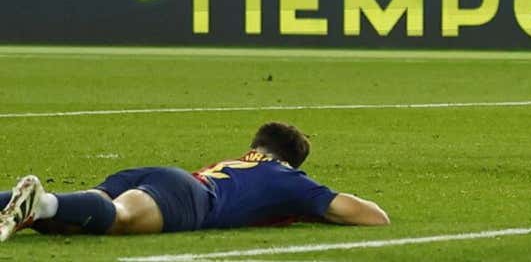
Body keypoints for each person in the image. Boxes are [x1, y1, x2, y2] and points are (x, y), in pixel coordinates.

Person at [0, 122, 387, 241]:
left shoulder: (239, 162)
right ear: (289, 160)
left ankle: (38, 204)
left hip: (161, 175)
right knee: (118, 218)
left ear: (255, 147)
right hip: (190, 197)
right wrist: (310, 205)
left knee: (71, 218)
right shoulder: (288, 179)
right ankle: (42, 203)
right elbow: (372, 217)